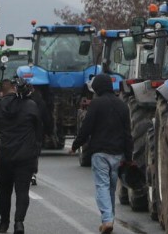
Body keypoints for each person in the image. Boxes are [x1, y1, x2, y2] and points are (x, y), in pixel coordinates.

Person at [70, 73, 131, 234]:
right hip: (117, 154)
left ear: (97, 88)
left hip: (100, 153)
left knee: (102, 187)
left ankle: (107, 220)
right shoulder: (122, 106)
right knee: (111, 188)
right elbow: (128, 134)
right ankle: (109, 218)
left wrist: (76, 146)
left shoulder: (96, 105)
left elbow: (86, 128)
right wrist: (129, 158)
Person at [0, 78, 43, 234]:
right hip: (25, 156)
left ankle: (3, 223)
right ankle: (19, 222)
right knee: (22, 191)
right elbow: (39, 130)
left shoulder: (0, 106)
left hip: (5, 154)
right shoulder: (31, 106)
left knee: (4, 190)